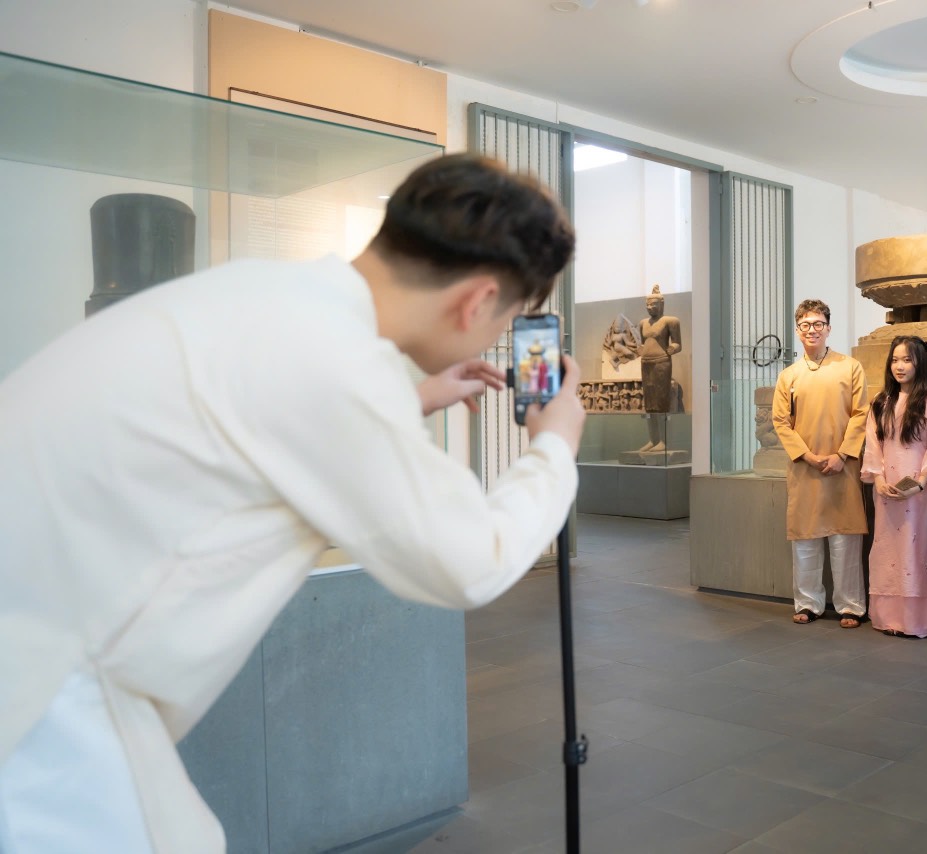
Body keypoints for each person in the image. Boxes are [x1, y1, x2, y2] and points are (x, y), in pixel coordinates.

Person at [0, 154, 584, 853]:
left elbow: (270, 417)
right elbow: (472, 561)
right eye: (511, 317)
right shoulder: (339, 367)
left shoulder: (265, 295)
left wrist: (409, 399)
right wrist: (554, 447)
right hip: (44, 711)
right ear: (477, 301)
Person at [772, 299, 869, 627]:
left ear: (828, 328)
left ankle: (850, 606)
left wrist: (842, 455)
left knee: (845, 539)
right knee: (805, 539)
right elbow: (780, 421)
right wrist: (807, 456)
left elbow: (861, 413)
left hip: (843, 467)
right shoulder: (788, 376)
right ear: (797, 330)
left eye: (817, 324)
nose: (811, 330)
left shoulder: (850, 367)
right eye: (805, 325)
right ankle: (808, 603)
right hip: (805, 468)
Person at [860, 336, 927, 638]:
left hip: (921, 490)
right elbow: (873, 444)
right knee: (888, 550)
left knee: (919, 551)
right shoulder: (881, 401)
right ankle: (889, 618)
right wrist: (878, 479)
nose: (899, 366)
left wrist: (922, 483)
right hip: (886, 487)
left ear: (920, 362)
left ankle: (919, 621)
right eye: (895, 360)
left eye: (907, 360)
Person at [637, 284, 682, 452]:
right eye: (647, 305)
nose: (650, 308)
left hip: (662, 362)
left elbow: (677, 343)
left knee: (661, 402)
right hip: (646, 363)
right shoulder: (643, 323)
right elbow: (643, 343)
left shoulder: (670, 321)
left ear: (661, 304)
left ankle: (663, 441)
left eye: (653, 304)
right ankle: (653, 440)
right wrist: (639, 350)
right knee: (649, 404)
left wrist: (673, 348)